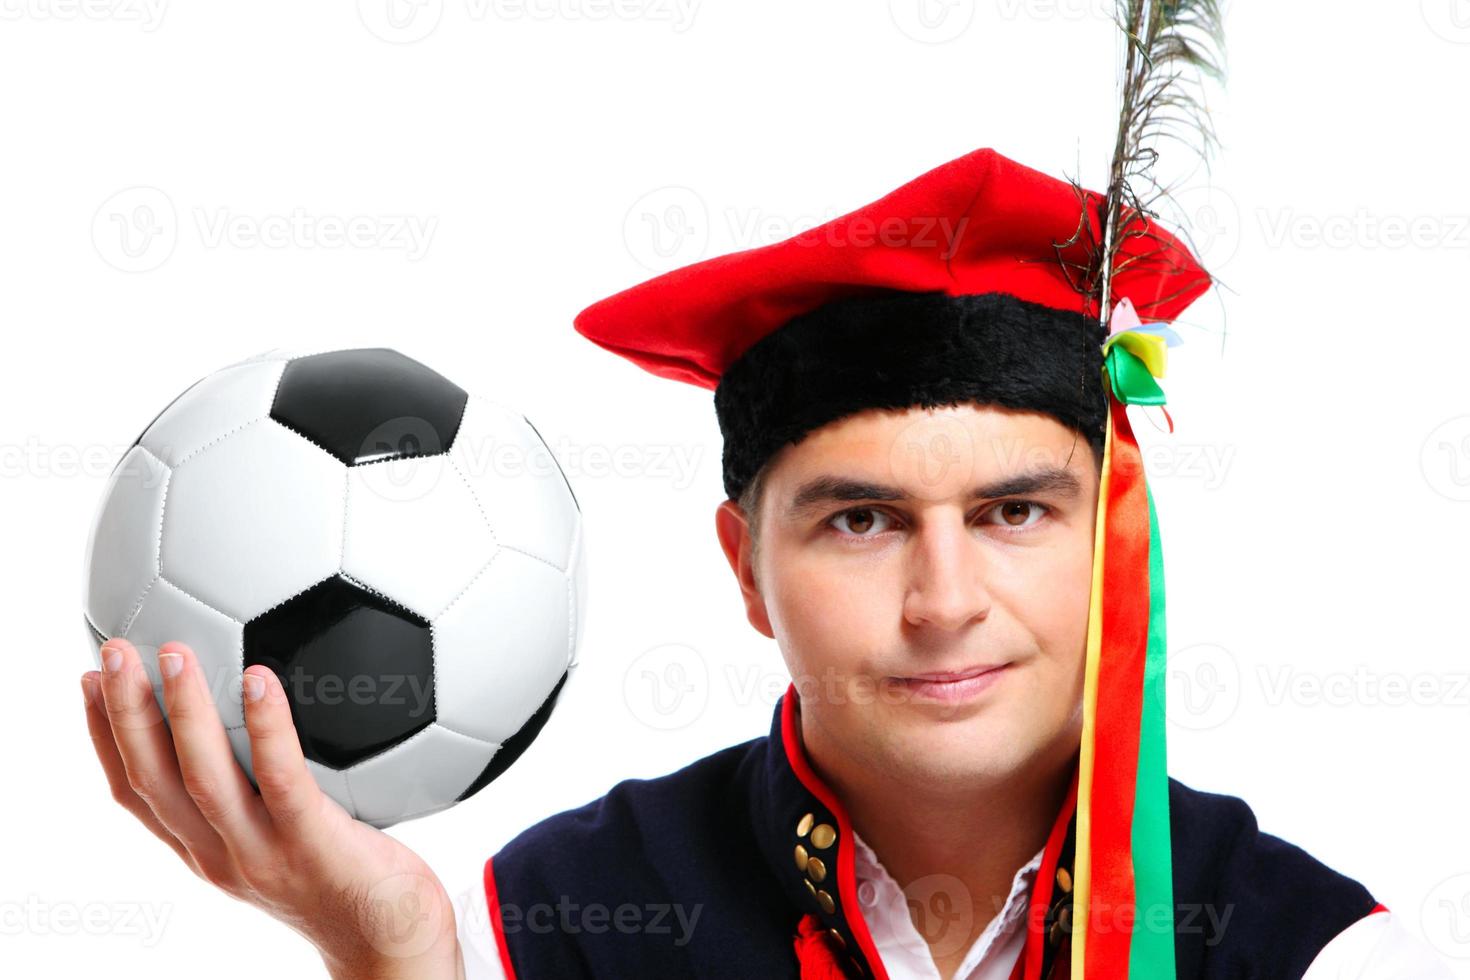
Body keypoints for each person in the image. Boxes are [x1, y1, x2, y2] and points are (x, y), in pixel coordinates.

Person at [81, 148, 1453, 980]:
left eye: (1015, 514)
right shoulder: (547, 929)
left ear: (1121, 545)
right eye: (857, 520)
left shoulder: (1306, 949)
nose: (943, 602)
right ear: (744, 568)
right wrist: (384, 956)